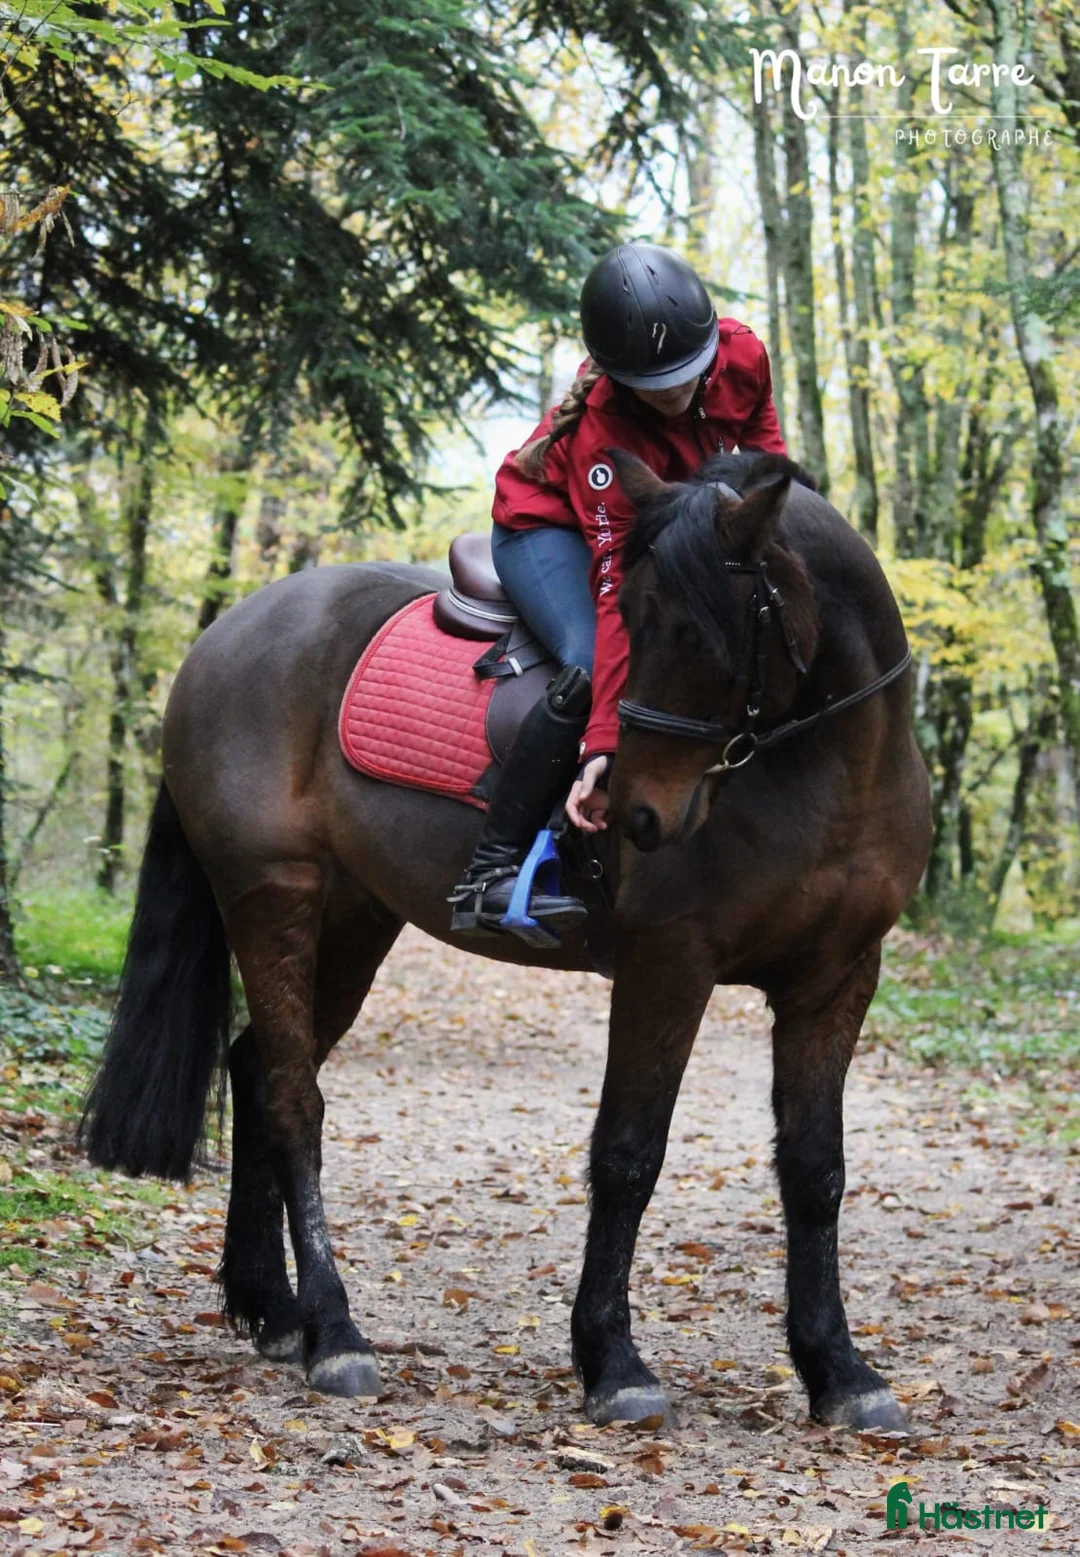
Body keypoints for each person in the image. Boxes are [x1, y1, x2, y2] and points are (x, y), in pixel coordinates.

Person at [448, 241, 788, 940]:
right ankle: (491, 869)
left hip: (669, 520)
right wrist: (604, 742)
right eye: (652, 387)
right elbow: (613, 592)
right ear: (614, 376)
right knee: (583, 655)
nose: (675, 395)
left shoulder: (745, 356)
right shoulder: (606, 433)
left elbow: (763, 454)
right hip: (547, 528)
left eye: (687, 377)